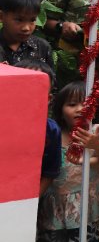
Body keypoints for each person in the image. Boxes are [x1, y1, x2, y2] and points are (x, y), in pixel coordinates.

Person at [35, 80, 99, 242]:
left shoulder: (97, 130)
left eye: (84, 103)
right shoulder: (54, 133)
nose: (79, 109)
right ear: (60, 108)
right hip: (55, 205)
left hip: (82, 205)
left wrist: (95, 146)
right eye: (72, 104)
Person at [17, 59, 62, 196]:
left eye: (36, 87)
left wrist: (32, 201)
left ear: (48, 99)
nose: (28, 92)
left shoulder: (51, 130)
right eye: (23, 85)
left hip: (25, 198)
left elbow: (50, 172)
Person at [0, 0, 52, 66]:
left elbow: (50, 77)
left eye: (32, 20)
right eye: (19, 20)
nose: (26, 28)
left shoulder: (42, 47)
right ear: (1, 17)